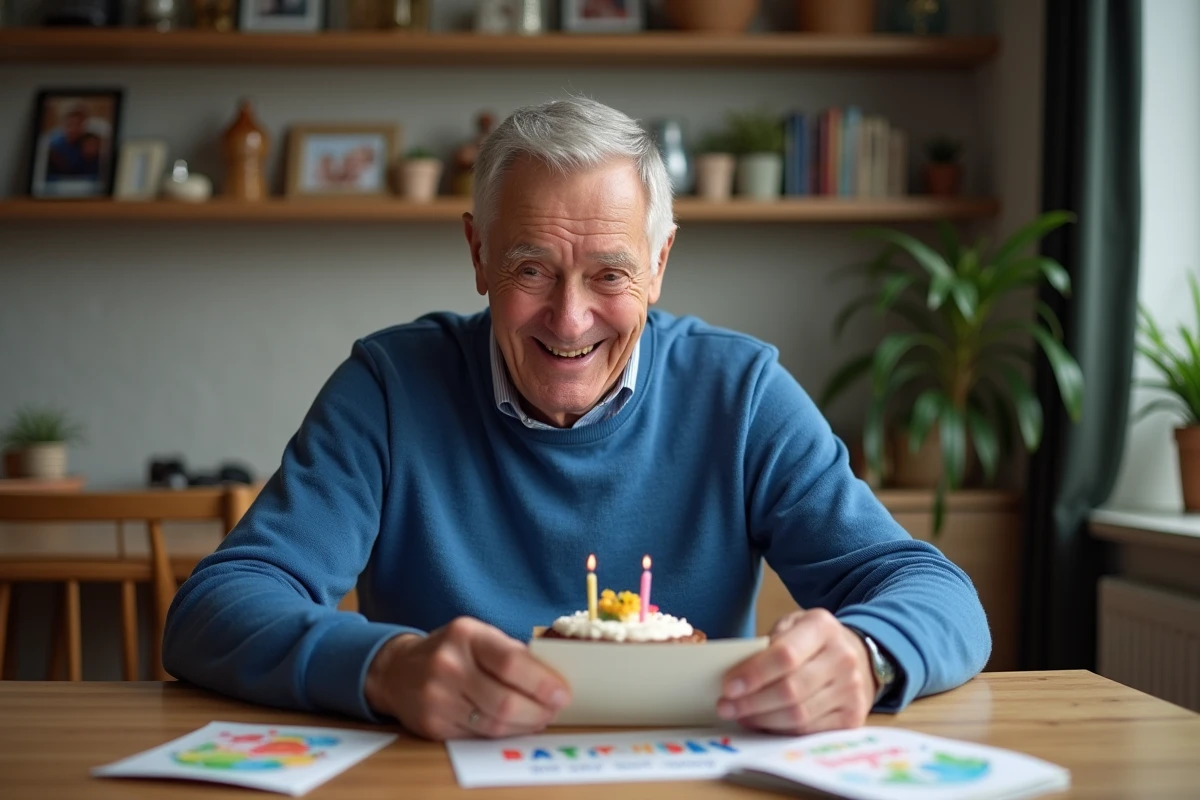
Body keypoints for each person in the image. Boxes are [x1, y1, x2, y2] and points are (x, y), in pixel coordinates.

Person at [164, 97, 990, 741]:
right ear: (478, 255)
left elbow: (937, 595)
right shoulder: (387, 388)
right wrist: (387, 667)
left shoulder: (740, 394)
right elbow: (215, 610)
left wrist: (865, 657)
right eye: (532, 267)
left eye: (609, 273)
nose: (569, 319)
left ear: (659, 263)